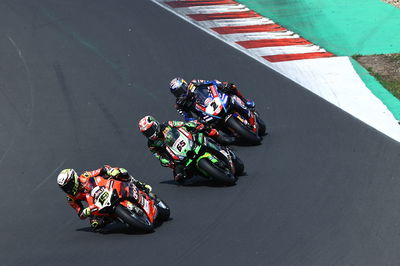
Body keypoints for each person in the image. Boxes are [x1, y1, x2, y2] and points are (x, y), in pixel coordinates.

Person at [57, 166, 152, 230]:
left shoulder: (84, 177)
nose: (68, 189)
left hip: (105, 187)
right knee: (95, 224)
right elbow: (80, 213)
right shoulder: (71, 198)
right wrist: (85, 213)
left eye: (68, 185)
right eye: (64, 188)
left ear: (73, 179)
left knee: (120, 172)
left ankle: (139, 185)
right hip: (96, 203)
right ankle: (121, 217)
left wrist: (109, 171)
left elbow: (102, 169)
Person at [139, 115, 221, 183]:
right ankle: (203, 172)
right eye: (146, 133)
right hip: (177, 155)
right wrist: (167, 162)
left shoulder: (168, 124)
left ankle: (219, 144)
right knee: (179, 178)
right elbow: (158, 156)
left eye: (150, 130)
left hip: (188, 140)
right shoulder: (151, 144)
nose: (149, 134)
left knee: (204, 131)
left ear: (155, 125)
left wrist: (194, 125)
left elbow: (183, 124)